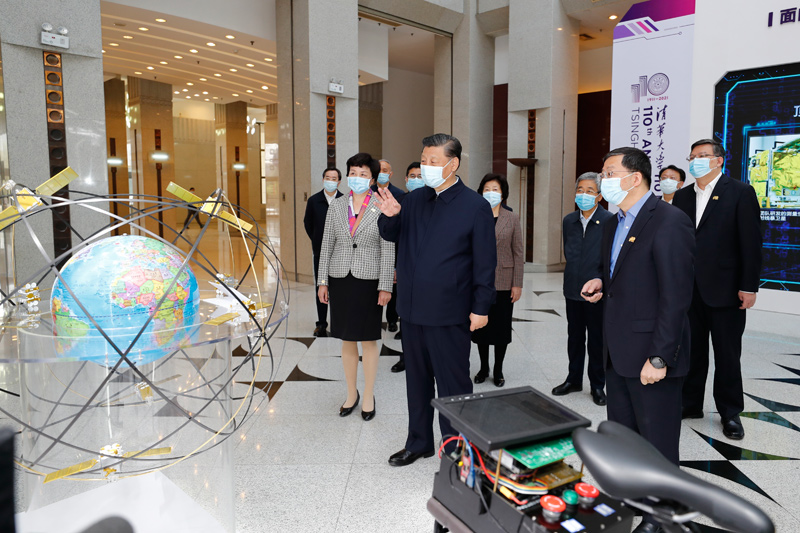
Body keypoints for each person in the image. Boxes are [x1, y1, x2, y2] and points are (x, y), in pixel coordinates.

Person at [582, 147, 694, 533]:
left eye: (609, 172)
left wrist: (660, 357)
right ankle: (632, 505)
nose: (603, 180)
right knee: (625, 440)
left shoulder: (669, 221)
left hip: (651, 355)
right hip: (618, 352)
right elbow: (619, 274)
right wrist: (601, 282)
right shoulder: (613, 223)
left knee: (657, 444)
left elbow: (676, 296)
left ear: (634, 178)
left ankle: (660, 517)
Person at [376, 133, 496, 467]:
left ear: (453, 164)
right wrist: (390, 215)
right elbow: (390, 234)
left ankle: (457, 447)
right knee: (416, 383)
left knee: (453, 385)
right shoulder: (413, 200)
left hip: (449, 313)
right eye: (423, 160)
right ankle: (418, 443)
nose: (426, 167)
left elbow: (485, 263)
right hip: (412, 310)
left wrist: (481, 307)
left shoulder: (475, 206)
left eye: (433, 161)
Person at [672, 139, 762, 441]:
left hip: (726, 290)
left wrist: (748, 286)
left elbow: (751, 243)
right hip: (689, 289)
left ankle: (730, 412)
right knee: (692, 350)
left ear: (719, 160)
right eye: (692, 156)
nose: (696, 160)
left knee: (727, 354)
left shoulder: (740, 192)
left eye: (703, 155)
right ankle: (690, 403)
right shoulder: (682, 196)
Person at [317, 153, 395, 422]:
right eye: (353, 172)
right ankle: (352, 393)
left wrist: (385, 285)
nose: (356, 177)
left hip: (369, 280)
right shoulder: (337, 205)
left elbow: (388, 248)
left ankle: (369, 395)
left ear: (372, 179)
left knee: (368, 339)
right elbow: (326, 244)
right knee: (347, 338)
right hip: (340, 278)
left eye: (363, 174)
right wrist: (323, 281)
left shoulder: (381, 205)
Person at [554, 172, 613, 405]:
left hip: (597, 292)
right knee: (575, 337)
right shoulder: (569, 220)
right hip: (572, 288)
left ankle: (597, 385)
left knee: (597, 340)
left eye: (589, 191)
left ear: (599, 196)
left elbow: (611, 259)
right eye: (580, 190)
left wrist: (601, 281)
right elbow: (569, 252)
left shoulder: (610, 221)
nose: (583, 195)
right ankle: (573, 379)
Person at [472, 174, 523, 388]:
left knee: (501, 328)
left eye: (495, 189)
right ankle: (483, 367)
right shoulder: (475, 215)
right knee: (480, 328)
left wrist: (517, 283)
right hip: (479, 281)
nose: (491, 193)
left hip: (504, 281)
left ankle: (498, 369)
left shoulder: (512, 218)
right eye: (487, 189)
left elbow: (518, 252)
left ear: (503, 194)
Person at [303, 167, 343, 337]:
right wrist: (317, 240)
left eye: (334, 178)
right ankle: (321, 324)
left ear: (339, 182)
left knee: (339, 288)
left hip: (340, 252)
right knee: (321, 286)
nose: (330, 181)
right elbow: (308, 223)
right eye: (328, 177)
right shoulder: (314, 201)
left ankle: (339, 323)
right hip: (320, 252)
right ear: (323, 179)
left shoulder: (344, 200)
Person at [372, 160, 406, 343]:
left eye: (385, 170)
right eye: (378, 170)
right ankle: (373, 319)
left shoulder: (400, 195)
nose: (381, 173)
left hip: (392, 245)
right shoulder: (367, 193)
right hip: (371, 248)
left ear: (391, 174)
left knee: (392, 287)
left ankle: (392, 320)